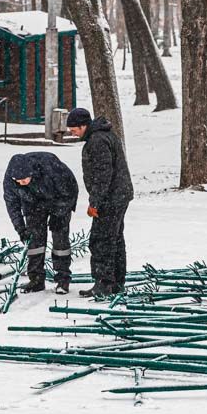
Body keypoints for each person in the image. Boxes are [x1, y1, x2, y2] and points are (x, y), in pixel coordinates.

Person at [67, 107, 133, 298]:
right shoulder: (106, 135)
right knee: (115, 239)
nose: (72, 134)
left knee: (101, 240)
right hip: (119, 195)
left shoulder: (97, 141)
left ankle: (104, 284)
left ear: (83, 125)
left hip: (110, 198)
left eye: (74, 130)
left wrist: (95, 202)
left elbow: (103, 175)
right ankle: (116, 283)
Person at [3, 152, 79, 294]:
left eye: (24, 180)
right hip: (33, 205)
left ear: (31, 173)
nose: (21, 183)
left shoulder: (49, 166)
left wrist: (60, 214)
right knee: (34, 242)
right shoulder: (10, 180)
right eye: (17, 181)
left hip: (59, 200)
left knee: (60, 241)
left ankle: (63, 279)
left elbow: (69, 191)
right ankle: (36, 279)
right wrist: (20, 228)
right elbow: (12, 205)